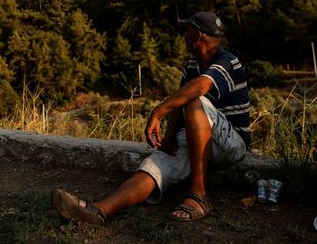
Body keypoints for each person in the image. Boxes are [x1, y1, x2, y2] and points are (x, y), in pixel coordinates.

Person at [52, 11, 250, 223]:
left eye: (187, 30)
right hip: (197, 139)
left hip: (231, 144)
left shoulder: (229, 61)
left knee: (194, 99)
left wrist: (157, 112)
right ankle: (98, 211)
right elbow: (179, 104)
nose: (183, 35)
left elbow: (199, 88)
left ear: (198, 36)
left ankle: (198, 196)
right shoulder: (192, 65)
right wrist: (169, 137)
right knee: (153, 167)